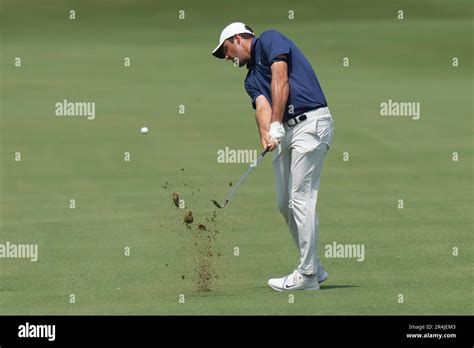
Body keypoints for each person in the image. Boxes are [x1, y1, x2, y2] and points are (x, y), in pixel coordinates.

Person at [211, 22, 334, 291]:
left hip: (310, 124)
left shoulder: (269, 40)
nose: (227, 57)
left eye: (227, 50)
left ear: (239, 38)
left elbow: (281, 78)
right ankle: (316, 266)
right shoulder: (250, 79)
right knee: (284, 202)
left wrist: (277, 122)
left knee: (301, 198)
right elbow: (262, 106)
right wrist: (266, 133)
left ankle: (308, 275)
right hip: (286, 131)